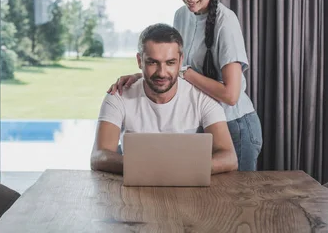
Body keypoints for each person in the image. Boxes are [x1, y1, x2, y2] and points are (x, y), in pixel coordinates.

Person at [107, 0, 263, 171]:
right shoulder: (181, 15)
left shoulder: (226, 22)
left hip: (234, 127)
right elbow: (171, 63)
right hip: (203, 124)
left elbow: (231, 95)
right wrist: (140, 75)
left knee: (235, 202)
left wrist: (185, 72)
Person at [91, 24, 238, 175]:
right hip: (135, 188)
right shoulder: (118, 96)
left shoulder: (202, 98)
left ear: (181, 61)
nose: (162, 73)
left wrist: (180, 168)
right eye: (152, 62)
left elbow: (229, 157)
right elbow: (99, 156)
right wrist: (146, 167)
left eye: (170, 63)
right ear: (139, 60)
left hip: (185, 186)